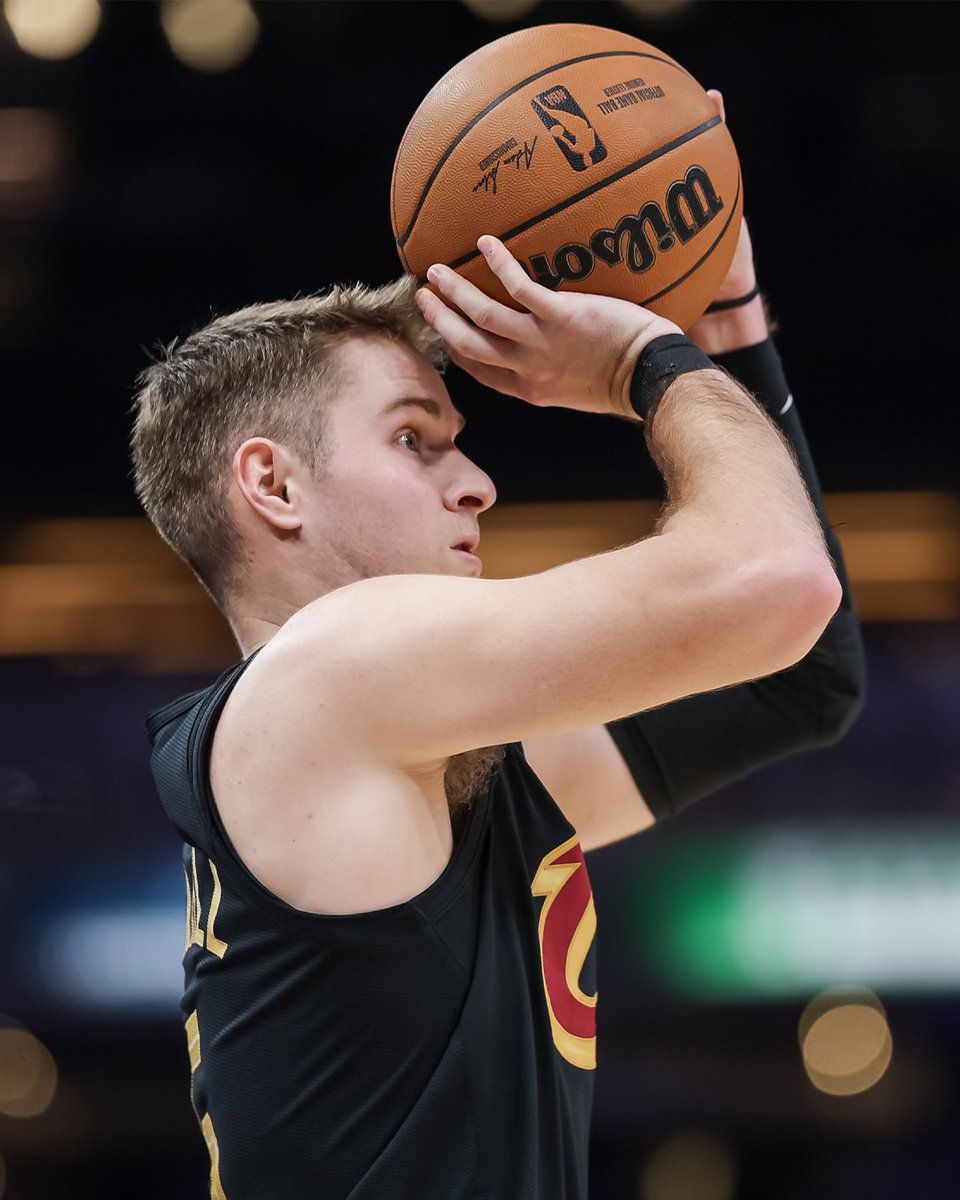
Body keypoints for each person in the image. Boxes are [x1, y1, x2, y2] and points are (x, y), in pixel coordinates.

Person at [132, 103, 864, 1200]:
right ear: (271, 485)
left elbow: (801, 681)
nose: (476, 482)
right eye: (414, 439)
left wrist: (727, 325)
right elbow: (779, 583)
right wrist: (644, 360)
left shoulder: (397, 750)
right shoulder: (331, 673)